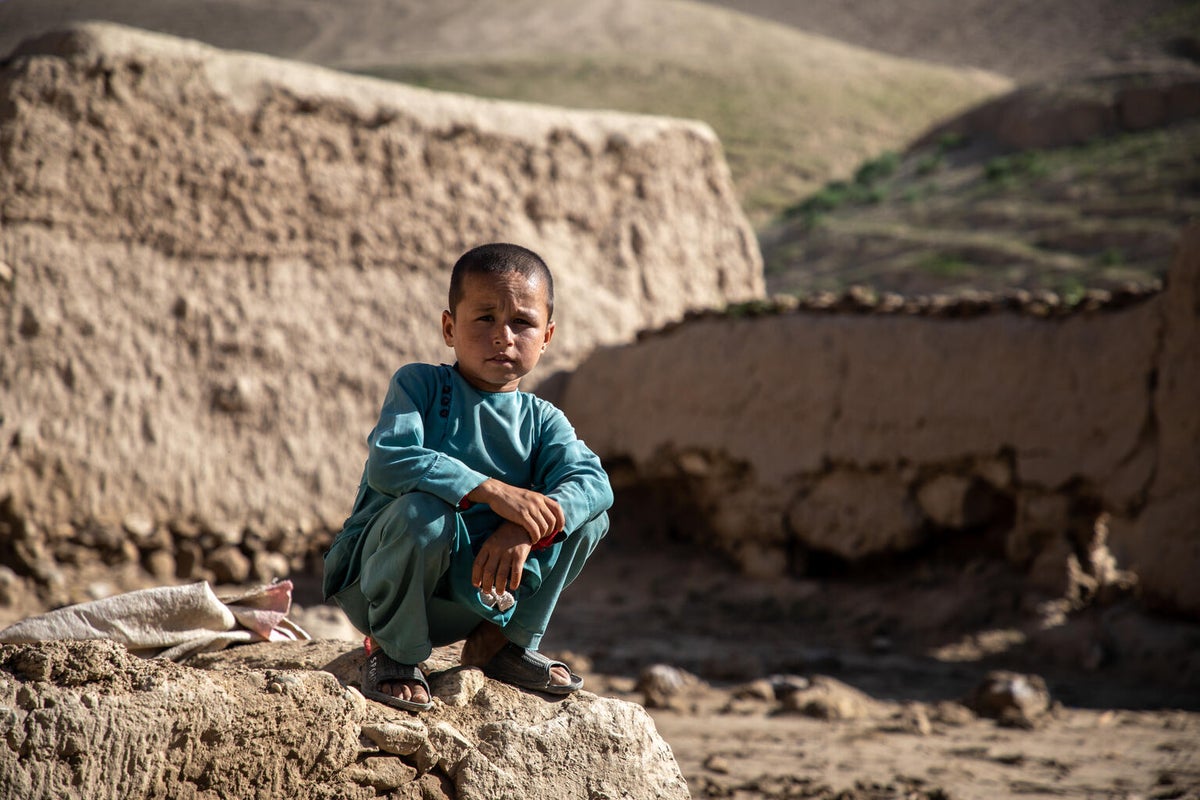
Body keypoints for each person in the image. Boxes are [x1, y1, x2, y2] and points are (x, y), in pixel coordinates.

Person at [323, 242, 613, 712]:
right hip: (383, 584)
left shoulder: (543, 421)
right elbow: (391, 459)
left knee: (586, 517)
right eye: (484, 319)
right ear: (449, 328)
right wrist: (494, 493)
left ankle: (504, 646)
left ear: (548, 336)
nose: (503, 336)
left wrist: (524, 528)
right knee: (424, 511)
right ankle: (395, 654)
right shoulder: (419, 386)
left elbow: (594, 483)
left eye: (522, 322)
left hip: (475, 598)